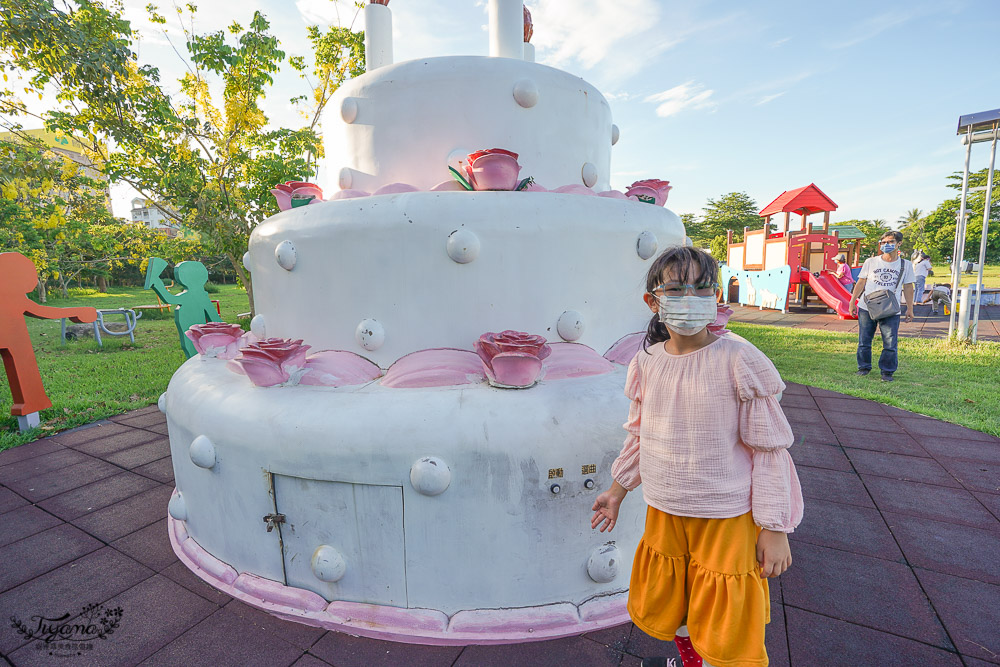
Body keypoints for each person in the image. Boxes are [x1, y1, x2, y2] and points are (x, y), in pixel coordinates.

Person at [590, 246, 803, 667]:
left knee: (725, 614)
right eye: (675, 288)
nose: (690, 297)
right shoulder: (647, 361)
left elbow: (770, 450)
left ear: (716, 296)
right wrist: (617, 490)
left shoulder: (739, 360)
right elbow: (640, 435)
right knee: (679, 602)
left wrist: (774, 527)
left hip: (724, 515)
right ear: (653, 301)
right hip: (666, 508)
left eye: (702, 288)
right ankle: (691, 661)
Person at [848, 231, 915, 382]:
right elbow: (861, 282)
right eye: (883, 242)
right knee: (864, 339)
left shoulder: (905, 265)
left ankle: (887, 371)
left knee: (890, 341)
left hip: (890, 308)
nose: (886, 245)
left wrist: (910, 308)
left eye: (890, 242)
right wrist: (853, 301)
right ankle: (863, 367)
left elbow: (909, 287)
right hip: (868, 306)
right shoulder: (871, 262)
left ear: (899, 243)